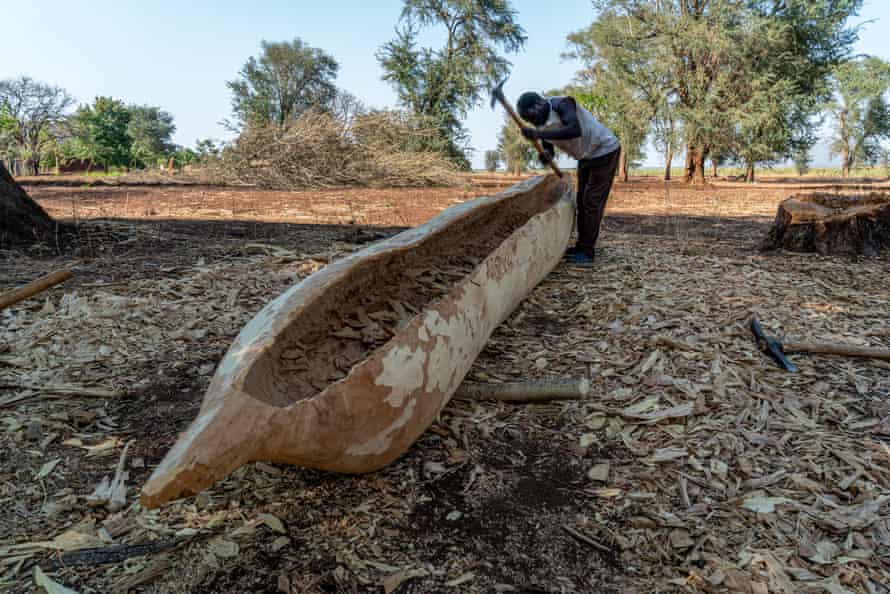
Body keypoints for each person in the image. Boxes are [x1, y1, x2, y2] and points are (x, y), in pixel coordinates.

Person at [516, 92, 621, 266]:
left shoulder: (562, 104)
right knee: (580, 201)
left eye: (531, 117)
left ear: (539, 104)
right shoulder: (540, 125)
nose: (532, 123)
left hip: (604, 151)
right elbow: (549, 149)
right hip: (585, 157)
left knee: (592, 202)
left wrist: (537, 134)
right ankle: (581, 246)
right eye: (528, 121)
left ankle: (587, 252)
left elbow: (574, 129)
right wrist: (546, 156)